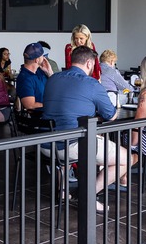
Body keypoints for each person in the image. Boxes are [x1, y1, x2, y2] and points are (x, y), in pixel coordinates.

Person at [42, 46, 131, 213]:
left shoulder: (53, 79)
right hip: (70, 145)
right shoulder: (91, 83)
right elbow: (111, 115)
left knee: (73, 132)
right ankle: (88, 195)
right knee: (125, 159)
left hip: (45, 144)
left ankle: (63, 191)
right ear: (89, 63)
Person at [15, 42, 53, 110]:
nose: (44, 57)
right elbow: (30, 105)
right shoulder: (25, 79)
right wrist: (52, 105)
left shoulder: (41, 71)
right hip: (40, 114)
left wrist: (50, 73)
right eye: (42, 55)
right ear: (37, 60)